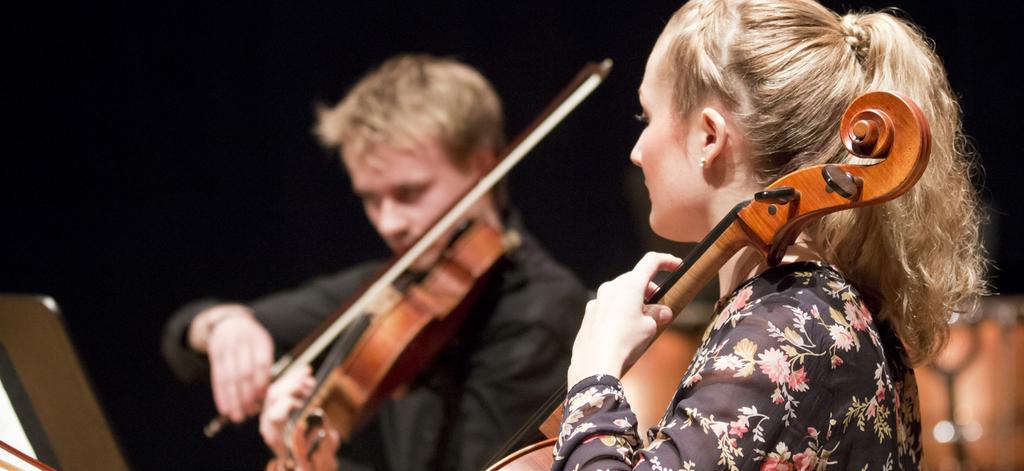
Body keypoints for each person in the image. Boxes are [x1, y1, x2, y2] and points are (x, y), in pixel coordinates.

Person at [553, 0, 986, 469]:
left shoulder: (785, 328)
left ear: (709, 137)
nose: (637, 151)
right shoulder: (810, 310)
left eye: (647, 116)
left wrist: (594, 375)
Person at [161, 54, 589, 470]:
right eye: (370, 199)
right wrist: (222, 327)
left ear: (481, 166)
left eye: (409, 193)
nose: (389, 223)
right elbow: (184, 339)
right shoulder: (400, 283)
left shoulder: (539, 315)